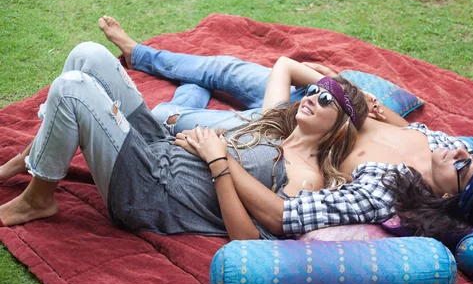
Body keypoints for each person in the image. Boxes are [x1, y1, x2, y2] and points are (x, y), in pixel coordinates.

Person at [98, 16, 473, 242]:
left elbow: (284, 217)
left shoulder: (385, 192)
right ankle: (140, 53)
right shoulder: (446, 146)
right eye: (471, 154)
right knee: (226, 68)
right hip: (329, 103)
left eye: (463, 167)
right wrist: (375, 109)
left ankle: (182, 100)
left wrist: (221, 160)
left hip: (284, 132)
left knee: (165, 118)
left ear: (446, 195)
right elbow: (409, 127)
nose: (461, 151)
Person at [0, 40, 368, 241]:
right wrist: (335, 81)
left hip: (152, 190)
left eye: (324, 100)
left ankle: (37, 199)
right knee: (89, 54)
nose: (309, 98)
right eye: (312, 91)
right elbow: (283, 64)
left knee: (72, 89)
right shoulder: (275, 124)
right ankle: (35, 156)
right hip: (158, 147)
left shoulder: (308, 177)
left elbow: (248, 240)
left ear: (340, 127)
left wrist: (217, 160)